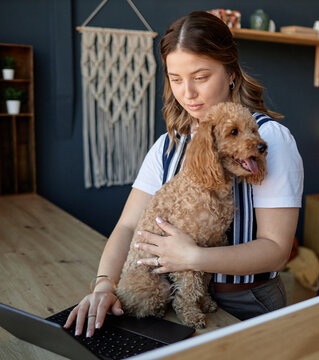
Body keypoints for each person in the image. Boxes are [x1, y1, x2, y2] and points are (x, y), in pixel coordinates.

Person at [65, 11, 303, 337]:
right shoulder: (167, 145)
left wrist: (193, 257)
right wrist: (106, 284)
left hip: (246, 304)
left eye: (201, 77)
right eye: (176, 79)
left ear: (231, 74)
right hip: (171, 302)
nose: (187, 92)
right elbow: (129, 225)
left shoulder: (269, 139)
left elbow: (276, 251)